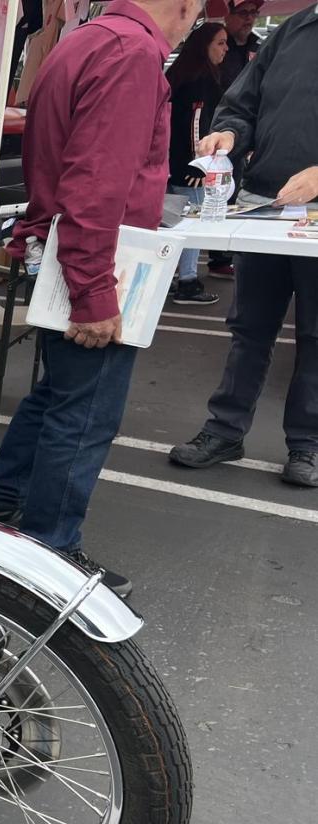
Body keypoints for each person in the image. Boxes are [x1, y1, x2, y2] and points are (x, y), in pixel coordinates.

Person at [0, 0, 204, 598]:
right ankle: (51, 553)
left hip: (65, 249)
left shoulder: (86, 39)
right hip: (94, 255)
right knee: (86, 407)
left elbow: (68, 165)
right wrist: (95, 291)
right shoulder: (132, 51)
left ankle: (3, 493)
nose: (190, 26)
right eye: (195, 15)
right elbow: (98, 182)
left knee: (62, 393)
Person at [169, 8, 318, 487]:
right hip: (264, 204)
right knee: (249, 328)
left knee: (316, 337)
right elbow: (241, 103)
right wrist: (230, 134)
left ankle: (308, 445)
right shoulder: (294, 30)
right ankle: (225, 430)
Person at [166, 21, 228, 306]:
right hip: (187, 166)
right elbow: (195, 124)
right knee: (191, 223)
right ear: (204, 45)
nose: (226, 49)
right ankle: (187, 281)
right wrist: (197, 164)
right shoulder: (201, 78)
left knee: (173, 222)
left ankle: (171, 277)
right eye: (220, 42)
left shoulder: (181, 73)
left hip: (170, 162)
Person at [206, 0, 263, 279]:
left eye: (254, 13)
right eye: (243, 13)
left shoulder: (260, 48)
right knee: (212, 195)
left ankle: (224, 254)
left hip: (241, 135)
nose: (250, 19)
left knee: (235, 193)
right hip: (213, 132)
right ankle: (215, 256)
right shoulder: (212, 43)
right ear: (227, 16)